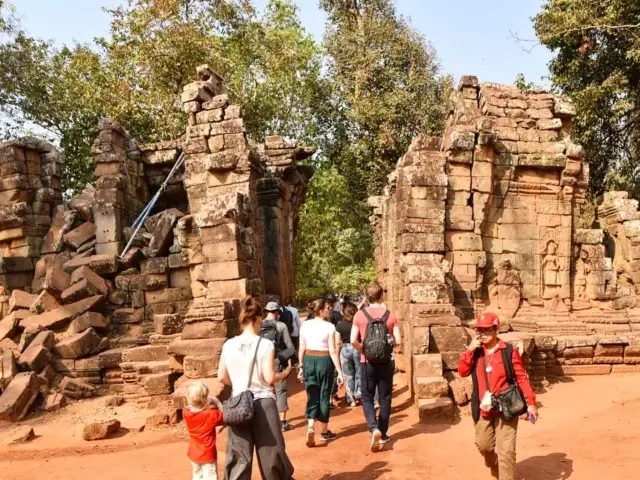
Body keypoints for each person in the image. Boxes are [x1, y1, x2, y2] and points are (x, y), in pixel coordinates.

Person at [218, 296, 294, 480]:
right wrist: (284, 373)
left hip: (238, 404)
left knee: (238, 456)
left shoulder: (228, 345)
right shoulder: (266, 344)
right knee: (272, 454)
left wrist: (238, 384)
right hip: (263, 403)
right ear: (258, 318)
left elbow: (221, 377)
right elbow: (269, 378)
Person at [458, 312, 538, 480]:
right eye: (479, 330)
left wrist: (531, 403)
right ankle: (494, 465)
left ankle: (505, 474)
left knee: (506, 452)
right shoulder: (476, 352)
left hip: (507, 407)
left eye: (487, 330)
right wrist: (470, 350)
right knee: (484, 446)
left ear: (496, 329)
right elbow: (463, 371)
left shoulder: (509, 351)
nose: (482, 334)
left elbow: (521, 377)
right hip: (483, 409)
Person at [351, 282, 401, 453]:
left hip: (367, 362)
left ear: (367, 297)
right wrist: (386, 349)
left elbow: (352, 340)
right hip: (386, 362)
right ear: (382, 296)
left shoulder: (359, 314)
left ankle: (374, 428)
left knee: (367, 397)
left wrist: (364, 350)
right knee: (385, 397)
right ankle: (384, 432)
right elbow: (398, 341)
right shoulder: (391, 315)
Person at [297, 298, 344, 447]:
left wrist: (301, 366)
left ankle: (311, 424)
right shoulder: (329, 327)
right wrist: (339, 371)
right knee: (324, 394)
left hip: (309, 358)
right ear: (321, 310)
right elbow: (332, 350)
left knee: (312, 393)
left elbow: (301, 348)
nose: (330, 310)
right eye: (328, 308)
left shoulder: (305, 325)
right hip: (324, 360)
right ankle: (324, 431)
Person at [260, 301, 296, 432]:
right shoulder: (281, 326)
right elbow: (290, 346)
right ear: (276, 313)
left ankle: (266, 421)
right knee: (280, 390)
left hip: (261, 361)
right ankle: (282, 422)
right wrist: (293, 361)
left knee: (264, 390)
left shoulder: (259, 325)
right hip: (277, 360)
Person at [183, 382, 225, 480]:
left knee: (197, 476)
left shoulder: (186, 412)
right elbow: (224, 415)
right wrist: (217, 402)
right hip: (207, 454)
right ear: (205, 398)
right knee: (210, 477)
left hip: (194, 453)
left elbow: (193, 408)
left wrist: (204, 404)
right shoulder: (212, 414)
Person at [336, 302, 361, 407]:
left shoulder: (340, 324)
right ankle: (359, 394)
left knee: (348, 375)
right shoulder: (358, 323)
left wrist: (336, 355)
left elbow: (337, 342)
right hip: (357, 348)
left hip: (345, 349)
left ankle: (351, 399)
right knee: (359, 372)